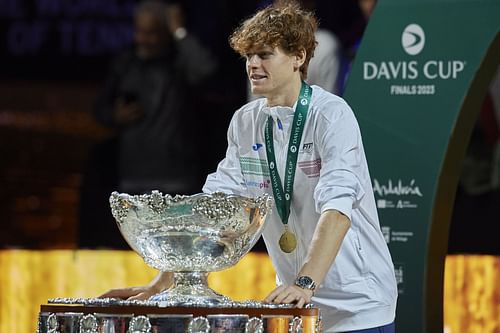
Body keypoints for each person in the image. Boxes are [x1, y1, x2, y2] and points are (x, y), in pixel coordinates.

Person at [101, 3, 397, 332]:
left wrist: (305, 282)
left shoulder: (330, 115)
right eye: (248, 56)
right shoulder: (246, 122)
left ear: (298, 57)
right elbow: (213, 211)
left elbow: (338, 211)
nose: (253, 65)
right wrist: (162, 284)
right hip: (298, 307)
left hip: (358, 304)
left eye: (265, 55)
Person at [93, 0, 216, 195]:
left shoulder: (180, 62)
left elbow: (206, 69)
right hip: (132, 178)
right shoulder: (125, 64)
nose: (142, 39)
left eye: (150, 33)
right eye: (139, 31)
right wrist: (115, 115)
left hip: (176, 179)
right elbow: (100, 109)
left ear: (165, 32)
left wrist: (179, 32)